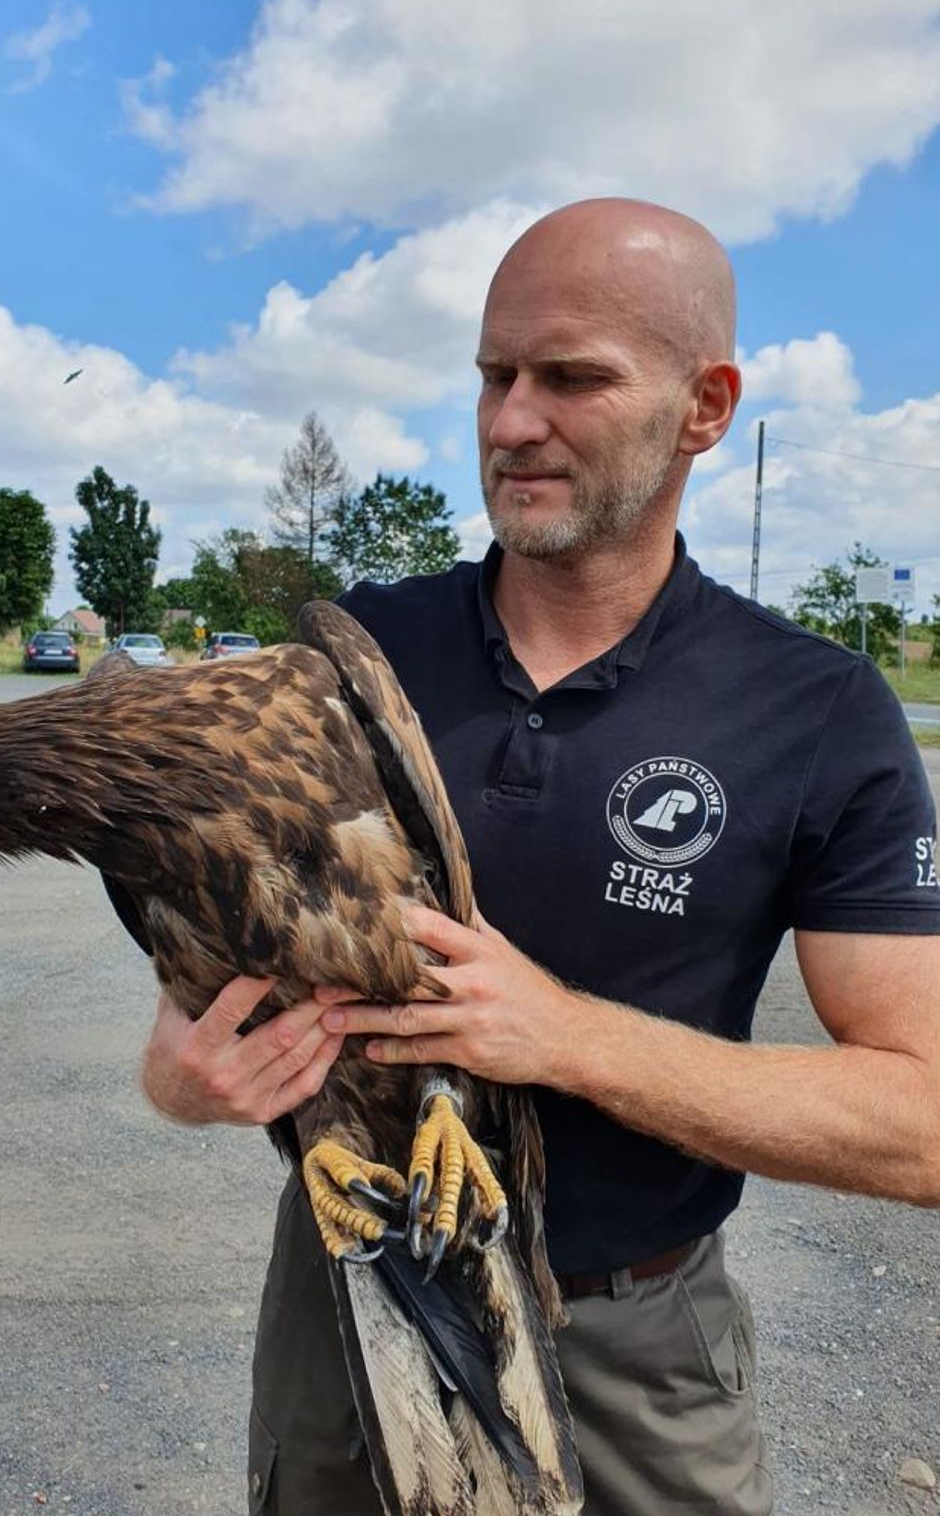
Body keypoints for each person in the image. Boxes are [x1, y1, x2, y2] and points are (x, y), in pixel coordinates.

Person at [141, 199, 940, 1515]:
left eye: (571, 378)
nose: (511, 423)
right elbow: (202, 982)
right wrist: (184, 1076)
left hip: (630, 1342)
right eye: (493, 376)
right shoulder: (347, 658)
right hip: (351, 1287)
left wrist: (564, 1034)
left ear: (707, 405)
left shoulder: (816, 710)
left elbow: (916, 1124)